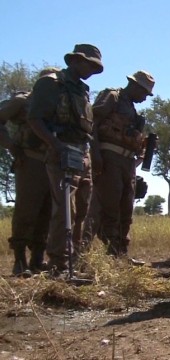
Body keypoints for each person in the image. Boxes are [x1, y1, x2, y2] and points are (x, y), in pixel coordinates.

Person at [27, 44, 104, 273]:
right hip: (63, 150)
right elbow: (35, 119)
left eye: (94, 66)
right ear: (75, 61)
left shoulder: (82, 89)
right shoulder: (51, 83)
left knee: (82, 209)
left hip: (83, 152)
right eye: (88, 64)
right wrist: (56, 146)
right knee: (65, 209)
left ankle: (76, 261)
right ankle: (59, 263)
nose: (91, 69)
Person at [80, 70, 155, 265]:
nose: (145, 98)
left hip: (127, 163)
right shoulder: (112, 96)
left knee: (125, 208)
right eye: (144, 93)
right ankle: (99, 253)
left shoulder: (131, 108)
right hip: (109, 158)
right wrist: (95, 153)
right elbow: (92, 123)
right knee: (108, 206)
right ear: (135, 86)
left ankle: (120, 254)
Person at [0, 67, 59, 275]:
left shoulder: (58, 104)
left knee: (46, 212)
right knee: (26, 210)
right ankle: (19, 261)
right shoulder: (23, 101)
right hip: (30, 161)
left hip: (52, 164)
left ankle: (37, 259)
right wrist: (10, 145)